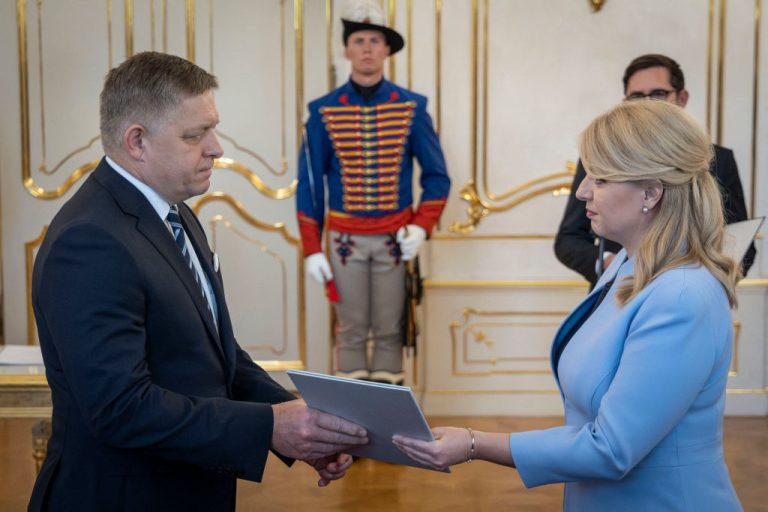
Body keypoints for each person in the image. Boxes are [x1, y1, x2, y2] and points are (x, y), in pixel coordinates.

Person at [29, 51, 368, 511]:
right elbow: (120, 409)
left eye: (212, 129)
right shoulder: (90, 240)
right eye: (195, 135)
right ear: (137, 141)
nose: (217, 148)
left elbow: (215, 357)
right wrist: (271, 427)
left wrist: (305, 424)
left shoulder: (175, 212)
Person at [393, 100, 744, 511]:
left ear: (651, 193)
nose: (582, 191)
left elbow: (611, 449)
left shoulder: (680, 296)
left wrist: (474, 443)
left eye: (601, 178)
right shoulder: (627, 263)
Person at [296, 0, 450, 385]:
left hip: (395, 240)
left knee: (389, 330)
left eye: (375, 40)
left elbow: (437, 177)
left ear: (386, 50)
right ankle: (349, 418)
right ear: (347, 51)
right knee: (349, 330)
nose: (367, 48)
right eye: (359, 40)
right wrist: (312, 247)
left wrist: (421, 226)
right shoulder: (323, 112)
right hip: (344, 241)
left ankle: (387, 417)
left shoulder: (412, 108)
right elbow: (311, 185)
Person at [555, 53, 755, 287]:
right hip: (615, 291)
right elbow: (568, 239)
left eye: (658, 94)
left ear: (681, 98)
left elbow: (740, 244)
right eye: (637, 96)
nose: (647, 103)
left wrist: (699, 282)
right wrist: (615, 267)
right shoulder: (602, 155)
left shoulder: (716, 159)